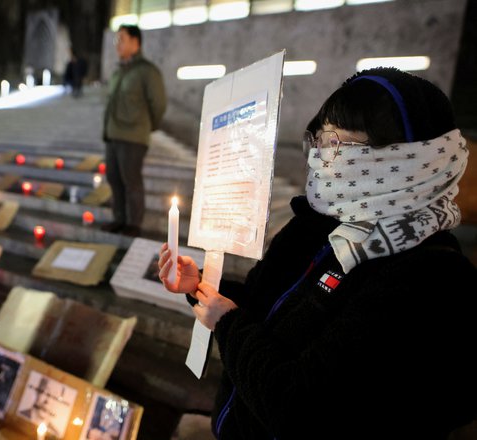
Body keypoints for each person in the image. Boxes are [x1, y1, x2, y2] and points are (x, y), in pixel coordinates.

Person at [157, 67, 477, 439]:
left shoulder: (431, 281)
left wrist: (227, 325)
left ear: (404, 160)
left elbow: (300, 410)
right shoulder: (321, 227)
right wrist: (201, 287)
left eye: (340, 145)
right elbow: (265, 311)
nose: (321, 158)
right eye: (321, 140)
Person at [101, 24, 167, 237]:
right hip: (113, 134)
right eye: (116, 40)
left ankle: (134, 223)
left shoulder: (147, 71)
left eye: (121, 39)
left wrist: (147, 127)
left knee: (131, 180)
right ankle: (119, 219)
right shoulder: (118, 72)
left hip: (133, 137)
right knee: (114, 178)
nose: (117, 44)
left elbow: (158, 104)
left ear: (135, 42)